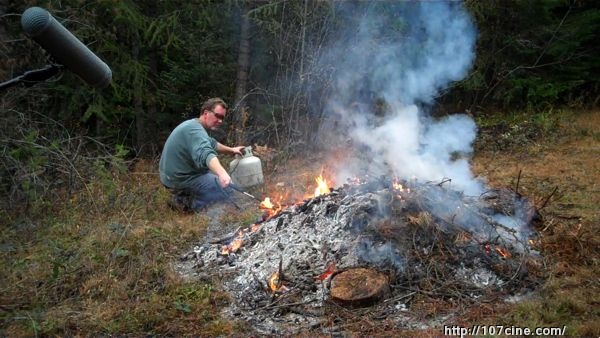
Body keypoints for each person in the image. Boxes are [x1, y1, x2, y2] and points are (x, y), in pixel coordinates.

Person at [159, 97, 245, 211]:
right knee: (227, 189)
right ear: (206, 113)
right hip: (180, 180)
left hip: (174, 177)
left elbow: (212, 143)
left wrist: (232, 150)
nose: (220, 121)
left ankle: (187, 197)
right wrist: (222, 174)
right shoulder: (195, 130)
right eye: (218, 116)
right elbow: (206, 153)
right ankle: (184, 203)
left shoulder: (193, 125)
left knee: (215, 181)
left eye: (222, 118)